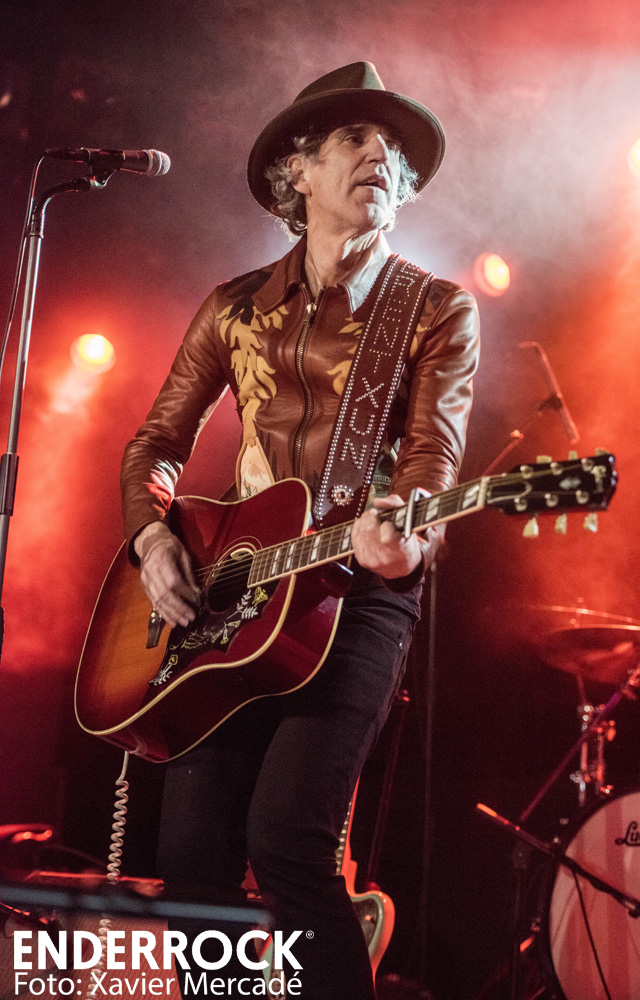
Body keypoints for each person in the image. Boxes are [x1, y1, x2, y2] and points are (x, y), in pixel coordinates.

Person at [120, 62, 479, 1000]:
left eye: (393, 150)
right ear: (299, 172)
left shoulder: (434, 308)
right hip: (231, 602)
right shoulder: (234, 306)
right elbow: (156, 444)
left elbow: (431, 458)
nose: (381, 157)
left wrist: (406, 536)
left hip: (355, 596)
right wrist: (154, 541)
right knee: (190, 861)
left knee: (286, 841)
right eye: (356, 139)